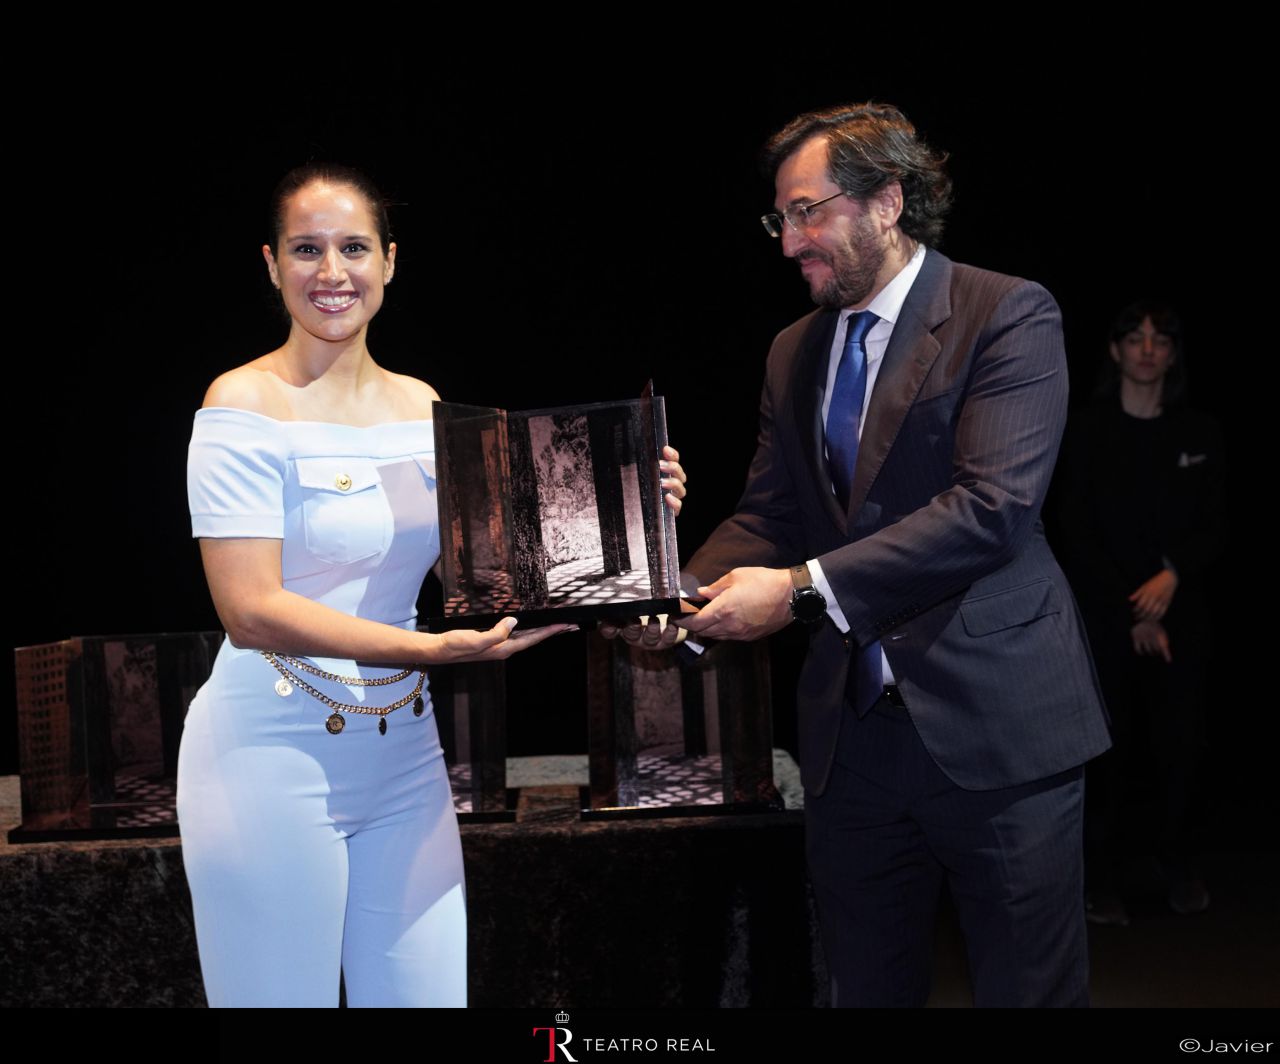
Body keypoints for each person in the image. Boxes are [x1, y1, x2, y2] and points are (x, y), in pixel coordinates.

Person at [177, 163, 686, 1007]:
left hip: (403, 757)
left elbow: (491, 577)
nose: (331, 273)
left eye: (353, 248)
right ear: (272, 264)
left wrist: (633, 516)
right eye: (307, 250)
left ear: (390, 260)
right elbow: (250, 611)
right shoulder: (243, 400)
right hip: (267, 756)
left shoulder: (423, 405)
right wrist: (428, 649)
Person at [676, 103, 1111, 1007]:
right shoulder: (792, 351)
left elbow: (990, 509)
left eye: (808, 211)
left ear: (886, 201)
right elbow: (771, 513)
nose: (790, 241)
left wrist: (797, 592)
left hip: (998, 729)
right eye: (780, 218)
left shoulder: (1006, 311)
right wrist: (674, 603)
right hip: (853, 745)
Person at [1057, 303, 1224, 925]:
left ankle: (1176, 866)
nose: (1148, 348)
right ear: (1116, 351)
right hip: (1107, 616)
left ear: (1174, 354)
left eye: (1160, 339)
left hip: (1183, 614)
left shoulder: (1200, 432)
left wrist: (1172, 573)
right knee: (1109, 751)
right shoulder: (1087, 431)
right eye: (1136, 338)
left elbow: (1216, 525)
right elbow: (1075, 531)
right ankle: (1099, 880)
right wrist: (1135, 612)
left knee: (1181, 745)